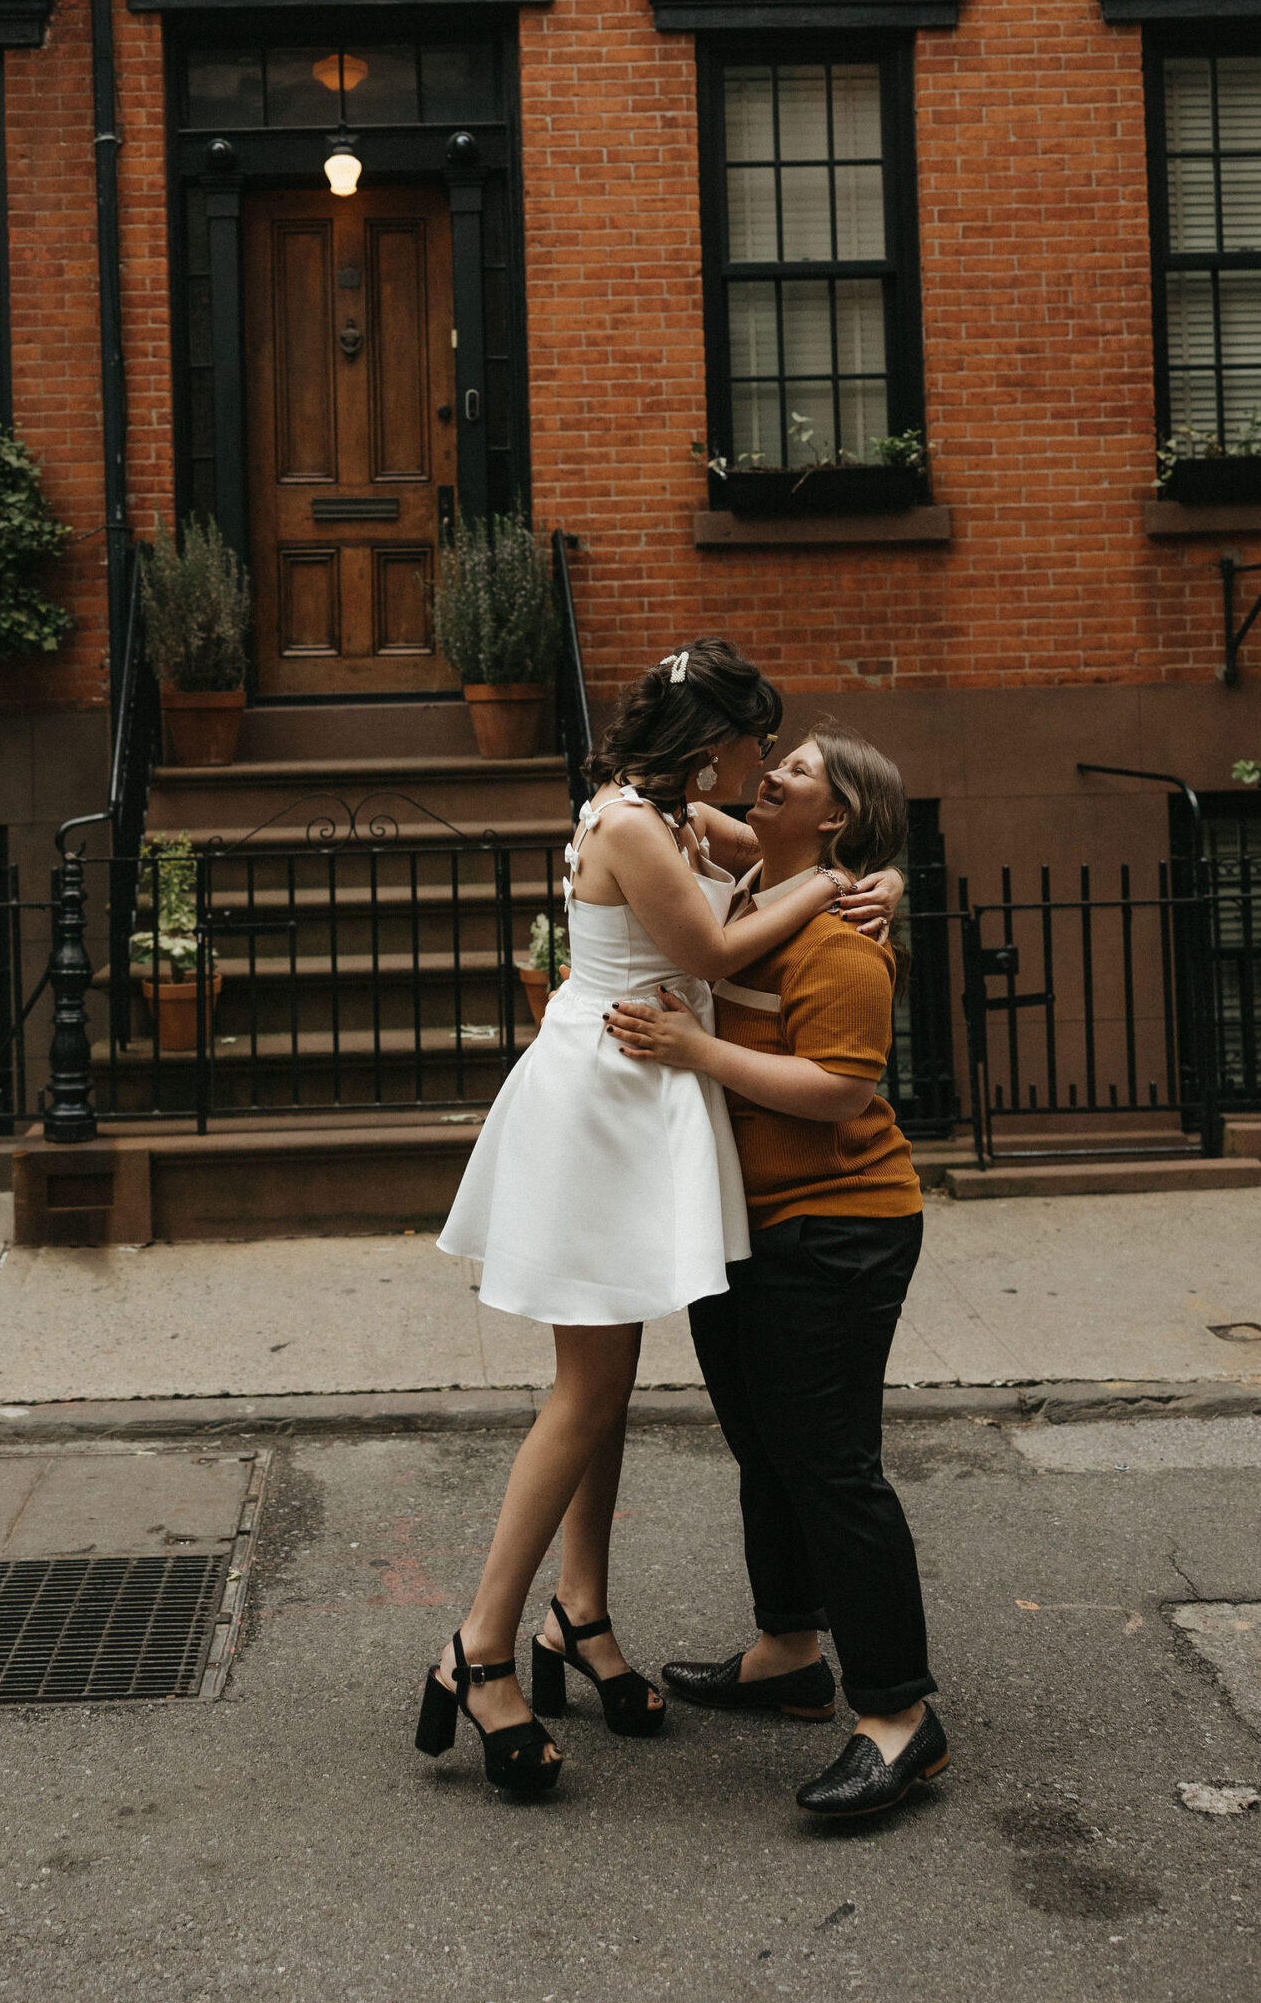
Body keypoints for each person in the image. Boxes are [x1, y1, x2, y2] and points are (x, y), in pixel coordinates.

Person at [416, 649, 904, 1800]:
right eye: (753, 747)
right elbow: (717, 950)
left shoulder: (679, 812)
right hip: (604, 1105)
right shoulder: (634, 824)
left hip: (638, 1104)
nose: (756, 772)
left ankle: (578, 1613)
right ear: (709, 741)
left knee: (608, 1382)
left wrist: (878, 881)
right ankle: (480, 1649)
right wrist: (836, 887)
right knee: (585, 1389)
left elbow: (789, 862)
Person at [605, 725, 946, 1821]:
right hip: (746, 1223)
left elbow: (843, 1089)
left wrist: (698, 1053)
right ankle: (791, 1652)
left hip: (838, 1225)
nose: (770, 775)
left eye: (794, 771)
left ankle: (900, 1716)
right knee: (766, 1445)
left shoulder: (841, 935)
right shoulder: (750, 882)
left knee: (831, 1462)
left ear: (835, 815)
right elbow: (658, 798)